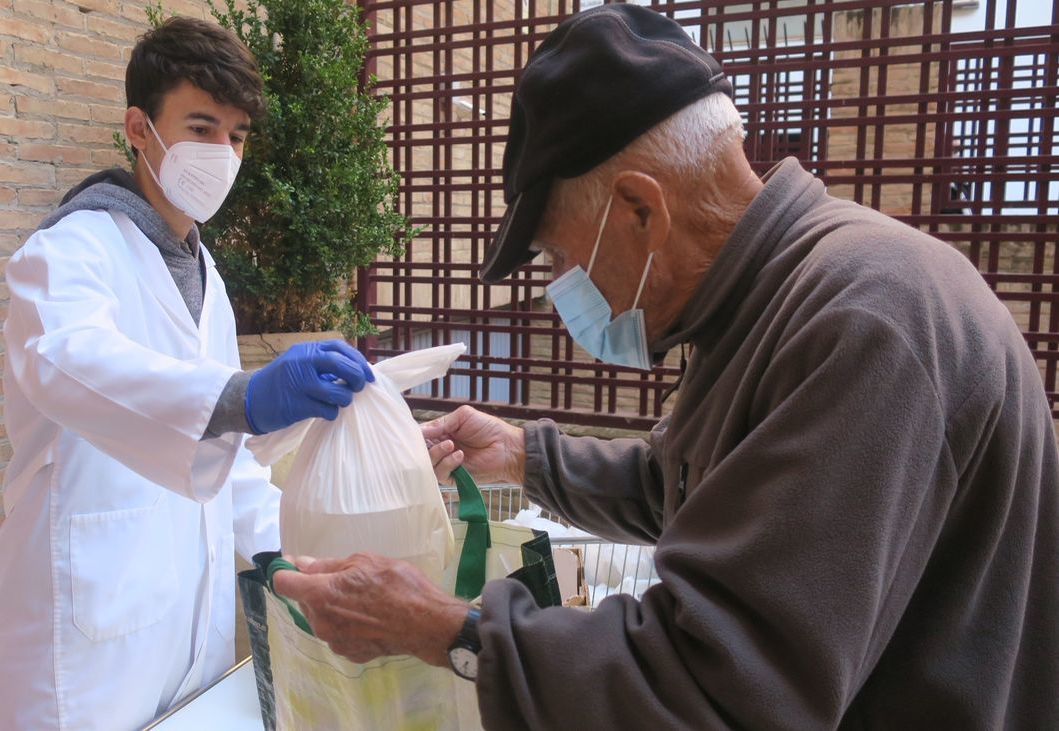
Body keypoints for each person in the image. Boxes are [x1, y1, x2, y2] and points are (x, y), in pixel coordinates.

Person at [272, 5, 1058, 729]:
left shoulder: (866, 323)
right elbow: (698, 494)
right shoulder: (766, 303)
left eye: (558, 253)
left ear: (642, 210)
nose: (559, 287)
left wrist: (439, 627)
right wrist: (526, 456)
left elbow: (720, 689)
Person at [0, 18, 374, 730]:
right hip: (81, 643)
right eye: (200, 127)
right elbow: (66, 360)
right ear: (139, 128)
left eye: (237, 135)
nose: (222, 152)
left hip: (183, 635)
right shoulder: (71, 250)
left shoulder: (205, 274)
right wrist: (240, 397)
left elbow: (225, 463)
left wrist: (279, 559)